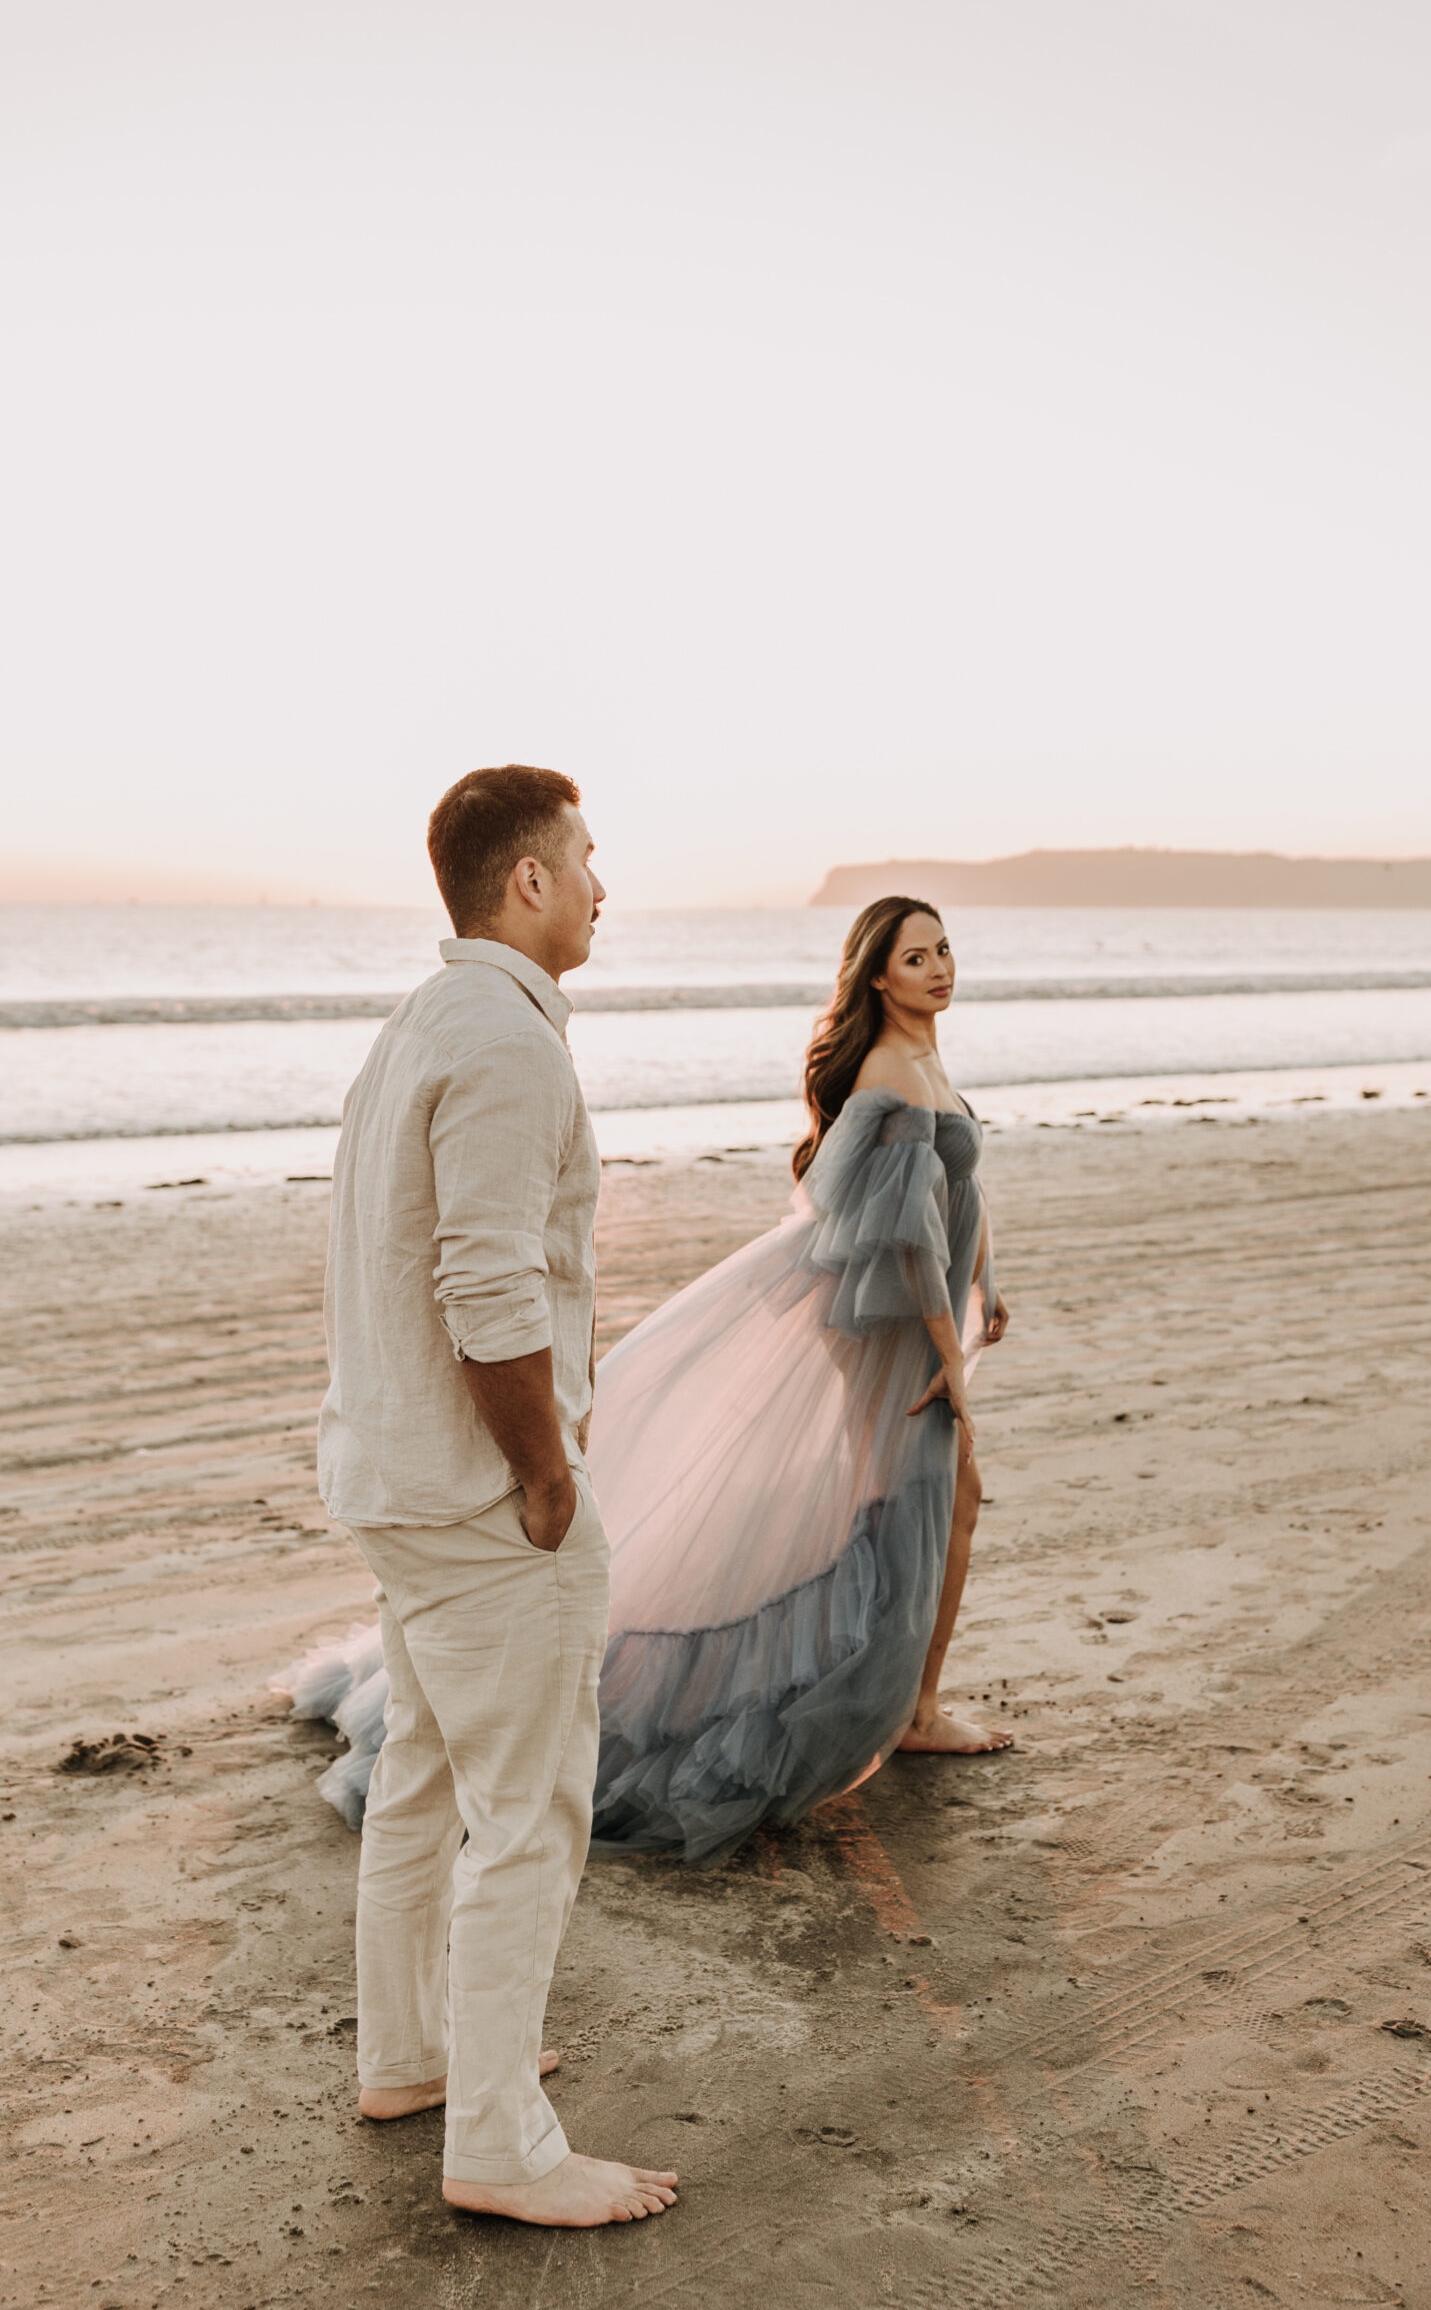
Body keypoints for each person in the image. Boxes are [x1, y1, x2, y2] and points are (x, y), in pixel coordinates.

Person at [293, 893, 1010, 1871]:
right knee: (919, 1502)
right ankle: (908, 1707)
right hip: (891, 1330)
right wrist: (949, 1353)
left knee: (947, 1499)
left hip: (926, 1318)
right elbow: (910, 1230)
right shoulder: (888, 1070)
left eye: (944, 948)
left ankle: (917, 1702)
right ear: (877, 975)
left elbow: (960, 1194)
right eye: (916, 955)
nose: (939, 966)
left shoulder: (927, 1059)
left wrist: (988, 1288)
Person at [313, 763, 676, 2229]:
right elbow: (485, 1282)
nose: (601, 883)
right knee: (529, 1809)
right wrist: (543, 1475)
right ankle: (502, 2148)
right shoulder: (505, 1040)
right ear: (524, 881)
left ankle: (414, 2058)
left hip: (394, 1476)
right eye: (585, 858)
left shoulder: (415, 1026)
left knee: (423, 1774)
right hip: (474, 1492)